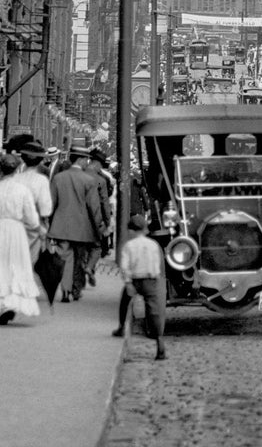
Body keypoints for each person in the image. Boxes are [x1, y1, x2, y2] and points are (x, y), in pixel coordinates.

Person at [0, 151, 43, 324]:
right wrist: (36, 229)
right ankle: (12, 303)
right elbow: (32, 217)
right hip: (16, 230)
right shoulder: (22, 190)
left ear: (1, 170)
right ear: (16, 170)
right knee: (16, 266)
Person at [48, 145, 108, 302]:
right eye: (85, 159)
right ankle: (76, 288)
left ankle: (65, 289)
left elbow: (51, 205)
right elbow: (94, 208)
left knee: (65, 258)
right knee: (79, 260)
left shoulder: (58, 178)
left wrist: (49, 226)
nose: (86, 162)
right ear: (81, 159)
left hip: (61, 226)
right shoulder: (88, 180)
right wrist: (99, 228)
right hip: (83, 228)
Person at [114, 206, 167, 360]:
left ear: (131, 230)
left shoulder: (129, 246)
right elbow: (158, 264)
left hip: (135, 281)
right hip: (151, 280)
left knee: (125, 302)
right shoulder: (153, 245)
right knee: (154, 312)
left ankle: (121, 327)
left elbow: (124, 267)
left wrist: (128, 282)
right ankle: (160, 343)